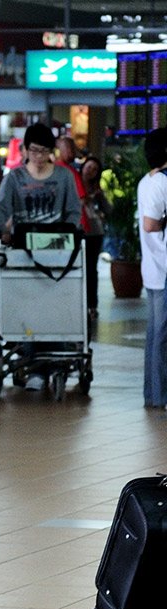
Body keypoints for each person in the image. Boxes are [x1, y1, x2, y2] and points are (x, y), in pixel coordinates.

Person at [0, 122, 82, 393]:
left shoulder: (64, 177)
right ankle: (30, 363)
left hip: (58, 254)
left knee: (56, 309)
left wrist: (70, 236)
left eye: (44, 152)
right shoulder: (15, 178)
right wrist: (3, 232)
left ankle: (54, 360)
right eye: (34, 151)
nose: (39, 158)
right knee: (28, 309)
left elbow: (74, 212)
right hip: (24, 254)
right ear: (26, 151)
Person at [138, 128, 167, 408]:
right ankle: (159, 395)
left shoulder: (147, 181)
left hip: (154, 266)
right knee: (161, 334)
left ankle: (153, 394)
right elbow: (151, 223)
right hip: (163, 267)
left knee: (155, 334)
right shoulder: (161, 182)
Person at [80, 155, 112, 326]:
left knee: (91, 270)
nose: (90, 171)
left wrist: (98, 197)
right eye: (88, 167)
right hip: (79, 231)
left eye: (94, 169)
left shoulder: (97, 189)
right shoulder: (74, 183)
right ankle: (80, 303)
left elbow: (108, 210)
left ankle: (92, 305)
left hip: (94, 232)